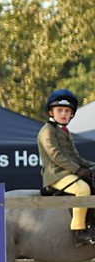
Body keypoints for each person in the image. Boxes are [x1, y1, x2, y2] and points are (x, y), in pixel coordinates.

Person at [37, 89, 95, 246]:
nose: (63, 114)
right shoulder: (47, 131)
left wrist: (91, 166)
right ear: (51, 112)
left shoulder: (65, 132)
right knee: (82, 189)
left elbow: (75, 157)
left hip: (68, 173)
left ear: (72, 114)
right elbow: (56, 156)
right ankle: (79, 231)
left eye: (67, 111)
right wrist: (78, 170)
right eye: (60, 110)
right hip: (56, 175)